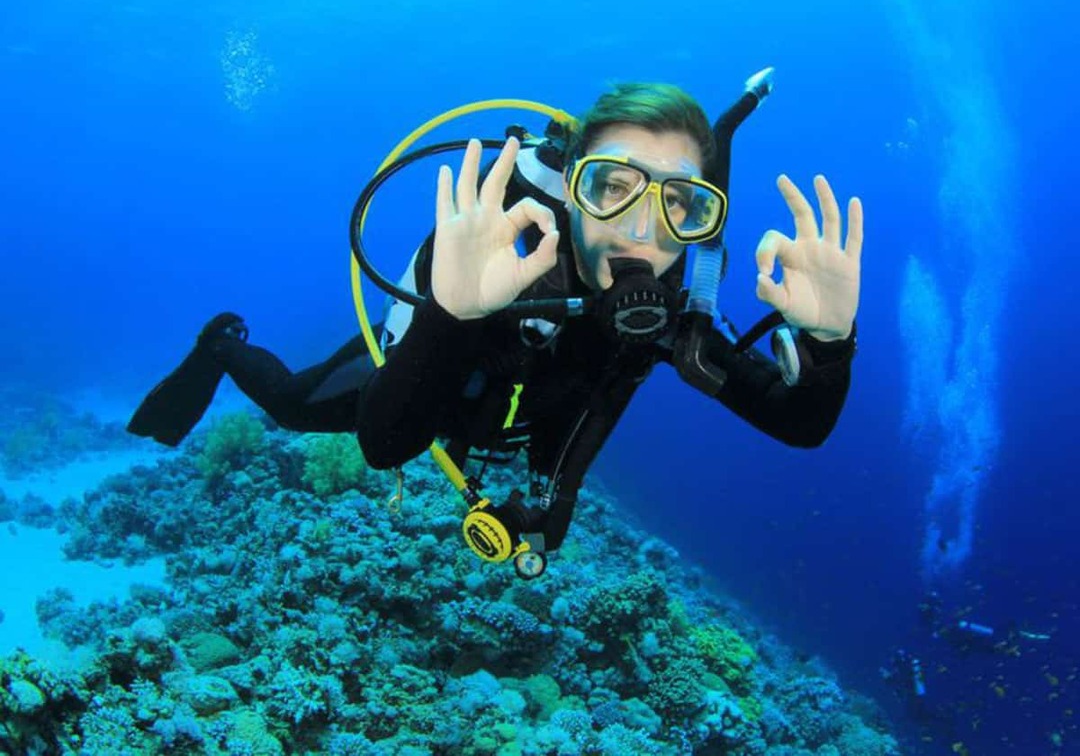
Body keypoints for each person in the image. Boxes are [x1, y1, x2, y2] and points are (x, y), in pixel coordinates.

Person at [128, 80, 862, 577]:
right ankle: (221, 343)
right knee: (291, 405)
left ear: (701, 220)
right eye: (611, 187)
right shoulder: (505, 260)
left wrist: (829, 345)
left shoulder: (676, 315)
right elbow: (386, 446)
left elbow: (798, 422)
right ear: (570, 192)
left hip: (520, 422)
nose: (643, 229)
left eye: (681, 204)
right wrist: (453, 313)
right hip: (427, 365)